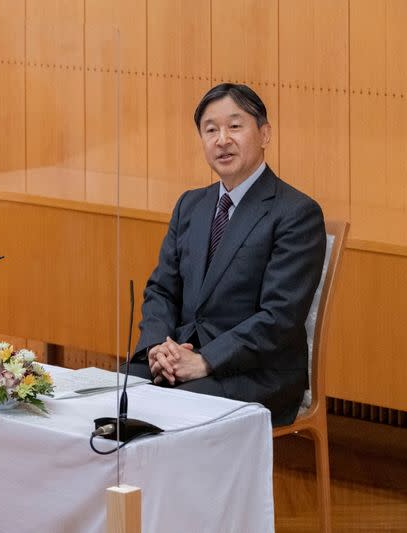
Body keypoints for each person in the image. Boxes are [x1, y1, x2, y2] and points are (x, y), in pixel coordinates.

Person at [128, 83, 326, 426]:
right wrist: (159, 349)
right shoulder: (191, 204)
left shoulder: (296, 213)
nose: (222, 139)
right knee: (112, 396)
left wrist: (205, 361)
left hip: (256, 372)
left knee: (167, 414)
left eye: (235, 126)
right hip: (183, 358)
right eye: (210, 129)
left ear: (264, 134)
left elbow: (278, 317)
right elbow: (161, 290)